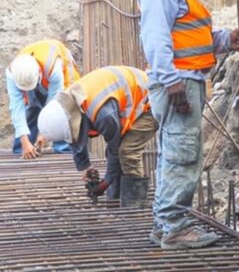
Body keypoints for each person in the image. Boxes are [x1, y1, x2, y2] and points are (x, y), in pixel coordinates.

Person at [137, 0, 239, 250]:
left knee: (176, 153)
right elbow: (155, 36)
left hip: (184, 78)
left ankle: (165, 224)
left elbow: (190, 33)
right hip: (178, 81)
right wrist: (172, 82)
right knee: (183, 155)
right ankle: (174, 228)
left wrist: (225, 40)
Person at [37, 65, 157, 206]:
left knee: (127, 151)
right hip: (126, 98)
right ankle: (114, 201)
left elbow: (114, 148)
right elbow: (74, 137)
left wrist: (106, 182)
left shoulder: (104, 115)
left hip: (151, 101)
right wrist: (85, 168)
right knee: (117, 154)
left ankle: (135, 204)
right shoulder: (68, 103)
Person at [6, 39, 80, 159]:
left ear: (38, 74)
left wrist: (44, 133)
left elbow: (54, 103)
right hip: (38, 74)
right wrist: (24, 141)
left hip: (64, 75)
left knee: (63, 110)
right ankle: (24, 148)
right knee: (31, 106)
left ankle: (64, 149)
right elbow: (16, 107)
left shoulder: (53, 68)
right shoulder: (12, 73)